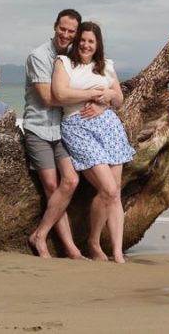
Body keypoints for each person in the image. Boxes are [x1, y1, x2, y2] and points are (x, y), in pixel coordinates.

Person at [52, 21, 135, 263]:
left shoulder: (106, 66)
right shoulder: (64, 63)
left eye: (91, 41)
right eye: (82, 40)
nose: (86, 45)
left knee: (115, 194)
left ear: (97, 44)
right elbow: (61, 94)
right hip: (78, 127)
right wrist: (95, 95)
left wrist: (108, 97)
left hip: (109, 127)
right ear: (76, 42)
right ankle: (94, 242)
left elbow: (118, 98)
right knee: (107, 189)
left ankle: (117, 253)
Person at [24, 9, 104, 259]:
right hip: (38, 128)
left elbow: (94, 84)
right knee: (51, 185)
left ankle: (40, 233)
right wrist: (91, 94)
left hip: (61, 130)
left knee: (70, 181)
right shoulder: (39, 56)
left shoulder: (71, 58)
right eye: (63, 29)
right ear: (55, 26)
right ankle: (65, 246)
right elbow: (51, 97)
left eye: (71, 31)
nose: (66, 35)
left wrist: (104, 100)